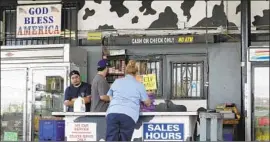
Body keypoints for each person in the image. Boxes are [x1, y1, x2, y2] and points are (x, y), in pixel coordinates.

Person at [105, 60, 152, 141]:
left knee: (110, 139)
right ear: (136, 73)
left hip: (112, 113)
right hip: (128, 115)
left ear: (125, 72)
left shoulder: (117, 81)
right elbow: (147, 103)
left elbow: (109, 96)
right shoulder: (139, 85)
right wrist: (149, 96)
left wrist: (115, 104)